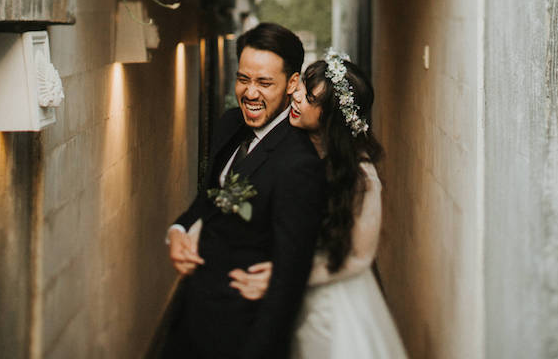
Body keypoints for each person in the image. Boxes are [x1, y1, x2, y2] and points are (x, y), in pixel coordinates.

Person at [228, 50, 408, 358]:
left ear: (332, 115)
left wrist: (286, 275)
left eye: (311, 99)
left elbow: (359, 258)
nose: (297, 98)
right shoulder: (296, 150)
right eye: (301, 89)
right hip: (287, 294)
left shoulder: (361, 177)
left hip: (331, 300)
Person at [163, 22, 326, 359]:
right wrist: (179, 229)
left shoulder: (299, 163)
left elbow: (286, 287)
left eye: (265, 83)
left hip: (240, 334)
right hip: (191, 317)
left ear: (292, 83)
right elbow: (210, 198)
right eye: (243, 79)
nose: (251, 93)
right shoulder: (229, 123)